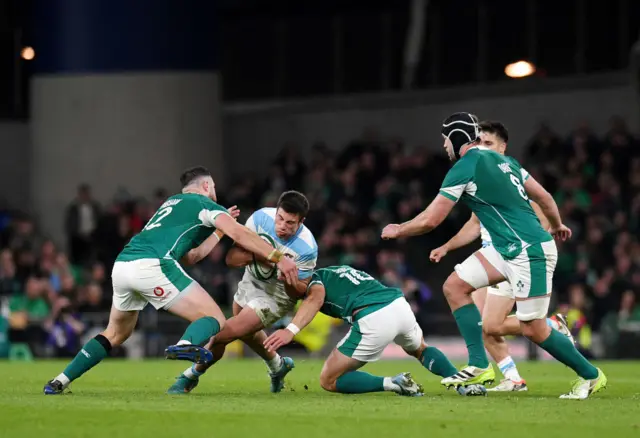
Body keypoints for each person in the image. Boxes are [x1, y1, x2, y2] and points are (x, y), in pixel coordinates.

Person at [381, 112, 607, 400]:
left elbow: (430, 220)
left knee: (533, 329)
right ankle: (479, 363)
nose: (444, 147)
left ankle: (591, 375)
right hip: (504, 249)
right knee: (455, 286)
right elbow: (545, 197)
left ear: (457, 137)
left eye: (445, 140)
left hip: (529, 251)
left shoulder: (466, 166)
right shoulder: (508, 163)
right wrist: (558, 223)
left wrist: (399, 229)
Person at [44, 166, 298, 395]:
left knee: (115, 333)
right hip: (153, 265)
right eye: (214, 188)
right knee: (215, 319)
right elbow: (240, 234)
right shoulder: (205, 204)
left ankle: (60, 380)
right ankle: (186, 344)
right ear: (207, 186)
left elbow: (191, 256)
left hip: (123, 266)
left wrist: (219, 230)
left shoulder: (171, 203)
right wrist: (277, 256)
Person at [428, 121, 574, 392]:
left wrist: (533, 239)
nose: (482, 148)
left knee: (491, 324)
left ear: (503, 148)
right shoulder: (483, 178)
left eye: (488, 144)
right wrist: (447, 246)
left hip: (513, 257)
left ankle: (549, 326)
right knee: (482, 324)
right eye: (479, 142)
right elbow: (474, 224)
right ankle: (512, 378)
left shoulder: (511, 180)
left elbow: (540, 220)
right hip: (491, 256)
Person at [167, 191, 318, 394]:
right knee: (247, 333)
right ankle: (277, 366)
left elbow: (298, 292)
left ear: (301, 221)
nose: (282, 226)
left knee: (223, 334)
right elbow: (231, 259)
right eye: (280, 218)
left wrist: (288, 280)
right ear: (276, 211)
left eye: (290, 223)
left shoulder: (307, 248)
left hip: (276, 295)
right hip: (250, 281)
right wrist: (271, 258)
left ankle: (189, 377)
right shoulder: (259, 219)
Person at [263, 265, 485, 397]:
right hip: (399, 304)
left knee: (329, 379)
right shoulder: (336, 271)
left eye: (285, 284)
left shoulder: (315, 283)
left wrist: (290, 330)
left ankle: (393, 383)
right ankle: (462, 383)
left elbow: (315, 299)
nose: (286, 291)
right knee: (420, 349)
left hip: (374, 317)